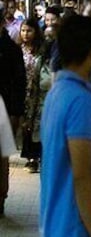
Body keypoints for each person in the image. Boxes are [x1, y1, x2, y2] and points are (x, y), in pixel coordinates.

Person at [40, 15, 91, 237]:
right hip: (74, 228)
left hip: (56, 224)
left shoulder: (57, 93)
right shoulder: (81, 101)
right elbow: (82, 176)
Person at [0, 21, 24, 215]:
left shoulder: (11, 50)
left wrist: (17, 113)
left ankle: (0, 198)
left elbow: (19, 82)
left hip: (4, 109)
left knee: (1, 158)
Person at [20, 18, 46, 172]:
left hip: (37, 92)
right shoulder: (18, 49)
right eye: (23, 30)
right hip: (22, 91)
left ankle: (34, 157)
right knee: (24, 125)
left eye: (29, 30)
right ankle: (29, 155)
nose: (25, 34)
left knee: (35, 124)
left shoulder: (41, 51)